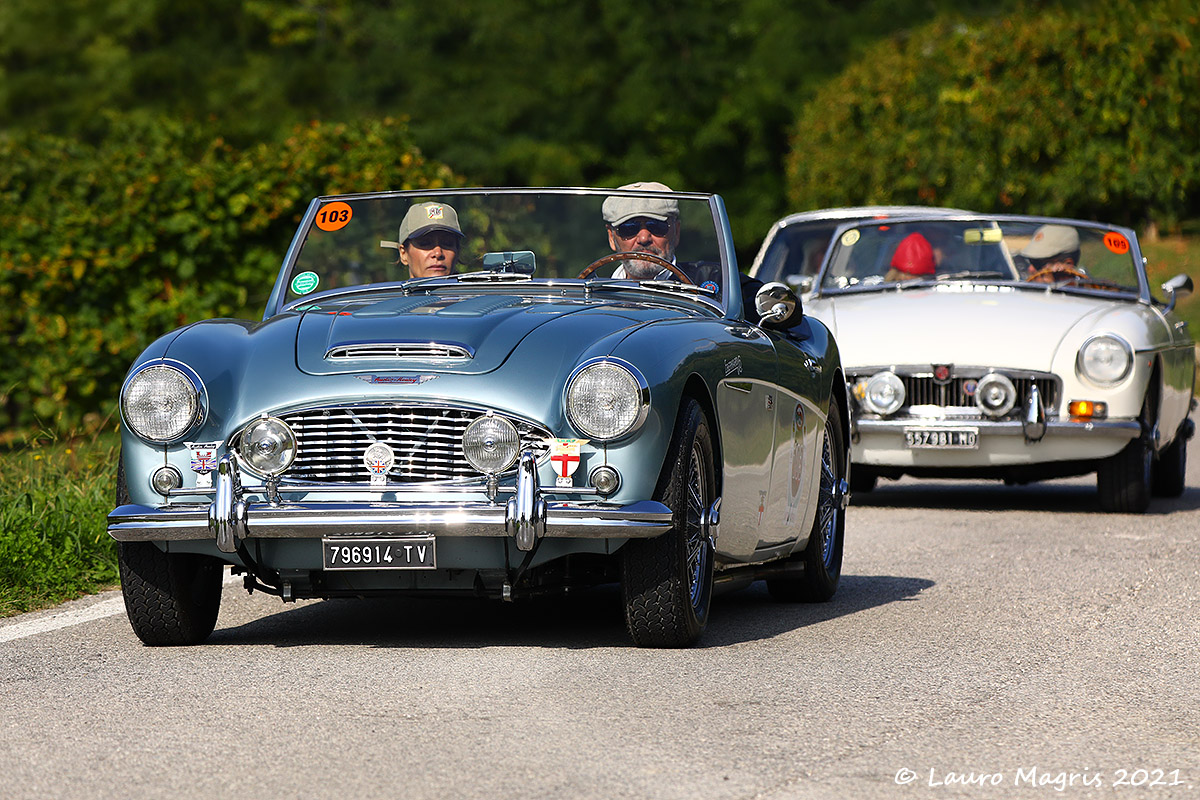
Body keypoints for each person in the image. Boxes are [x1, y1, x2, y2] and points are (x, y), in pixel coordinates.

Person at [601, 181, 682, 279]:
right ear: (611, 237)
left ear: (676, 232)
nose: (644, 239)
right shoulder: (592, 287)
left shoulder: (698, 283)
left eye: (656, 226)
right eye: (629, 228)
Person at [380, 201, 464, 278]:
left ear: (458, 252)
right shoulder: (382, 289)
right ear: (403, 253)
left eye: (447, 243)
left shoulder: (471, 290)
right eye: (425, 243)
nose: (438, 253)